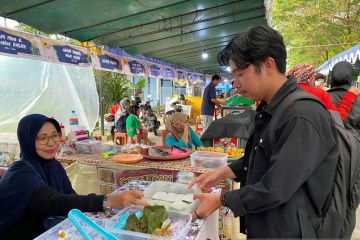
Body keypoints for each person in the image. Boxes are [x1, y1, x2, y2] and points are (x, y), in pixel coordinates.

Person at [189, 26, 339, 238]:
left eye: (240, 74)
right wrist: (221, 172)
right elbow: (260, 157)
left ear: (268, 64)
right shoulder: (273, 107)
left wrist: (222, 200)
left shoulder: (301, 114)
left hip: (289, 231)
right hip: (268, 224)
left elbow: (276, 187)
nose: (236, 84)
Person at [0, 114, 147, 239]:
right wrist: (107, 201)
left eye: (54, 136)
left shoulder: (53, 165)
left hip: (50, 230)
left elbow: (70, 197)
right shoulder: (20, 172)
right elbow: (55, 202)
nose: (51, 143)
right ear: (27, 140)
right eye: (42, 138)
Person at [288, 63, 358, 121]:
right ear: (311, 76)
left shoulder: (285, 92)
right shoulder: (319, 93)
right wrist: (350, 96)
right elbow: (337, 118)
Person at [328, 61, 360, 138]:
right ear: (351, 76)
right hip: (354, 145)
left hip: (329, 143)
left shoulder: (324, 96)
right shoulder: (358, 97)